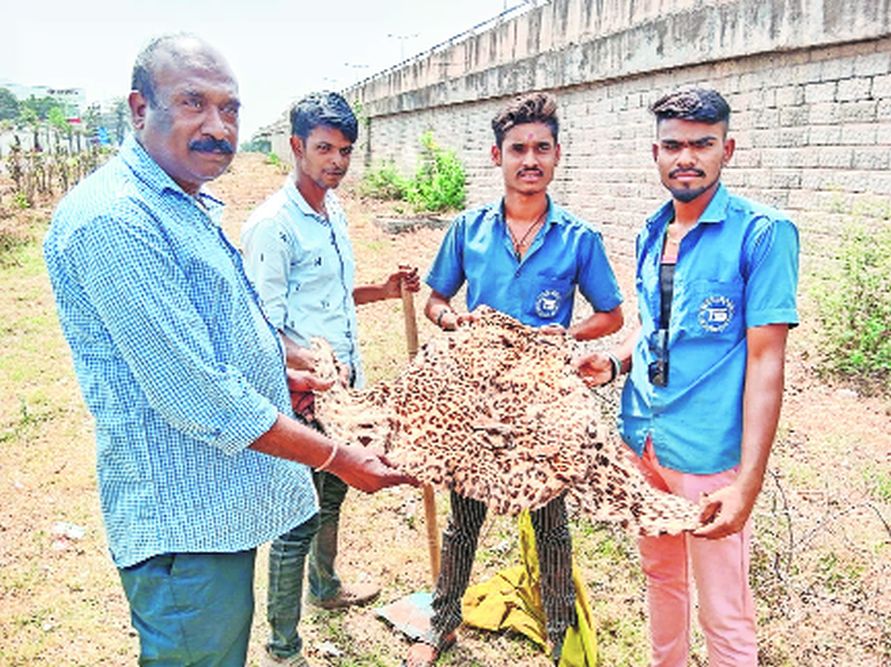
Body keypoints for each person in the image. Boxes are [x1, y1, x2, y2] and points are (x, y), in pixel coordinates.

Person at [42, 34, 412, 667]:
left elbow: (221, 332)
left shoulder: (182, 203)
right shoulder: (117, 220)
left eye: (230, 109)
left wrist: (282, 370)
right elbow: (200, 395)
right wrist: (338, 457)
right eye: (193, 104)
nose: (218, 127)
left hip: (214, 504)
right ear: (139, 109)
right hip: (180, 518)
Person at [576, 87, 799, 666]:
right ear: (656, 152)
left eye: (703, 144)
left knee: (724, 606)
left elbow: (765, 361)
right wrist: (617, 362)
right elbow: (655, 329)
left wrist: (747, 483)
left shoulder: (763, 233)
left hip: (708, 457)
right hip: (643, 443)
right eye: (673, 145)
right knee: (661, 577)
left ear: (729, 148)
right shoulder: (652, 231)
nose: (687, 158)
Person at [407, 91, 624, 666]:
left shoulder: (579, 238)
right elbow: (435, 301)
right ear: (496, 156)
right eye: (518, 149)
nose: (530, 160)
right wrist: (455, 320)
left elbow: (612, 313)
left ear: (556, 157)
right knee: (464, 521)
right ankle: (441, 626)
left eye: (542, 149)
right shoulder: (468, 230)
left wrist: (571, 335)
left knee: (551, 525)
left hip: (544, 404)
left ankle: (559, 638)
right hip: (475, 401)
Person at [241, 91, 420, 667]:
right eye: (324, 149)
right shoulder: (273, 226)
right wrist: (310, 363)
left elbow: (331, 298)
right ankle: (283, 646)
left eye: (345, 150)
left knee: (335, 493)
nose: (336, 162)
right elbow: (262, 325)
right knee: (296, 518)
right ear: (296, 147)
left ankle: (326, 587)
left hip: (345, 391)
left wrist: (384, 292)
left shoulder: (334, 212)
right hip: (300, 394)